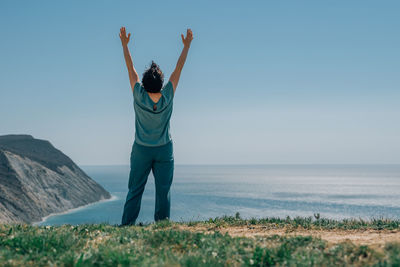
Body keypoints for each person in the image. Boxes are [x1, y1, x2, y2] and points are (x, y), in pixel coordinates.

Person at [119, 26, 193, 225]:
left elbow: (130, 67)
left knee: (135, 189)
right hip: (164, 150)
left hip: (141, 149)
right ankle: (161, 226)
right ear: (161, 84)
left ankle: (126, 226)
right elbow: (179, 67)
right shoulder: (167, 95)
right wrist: (187, 46)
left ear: (143, 83)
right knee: (163, 190)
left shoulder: (138, 94)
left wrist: (125, 45)